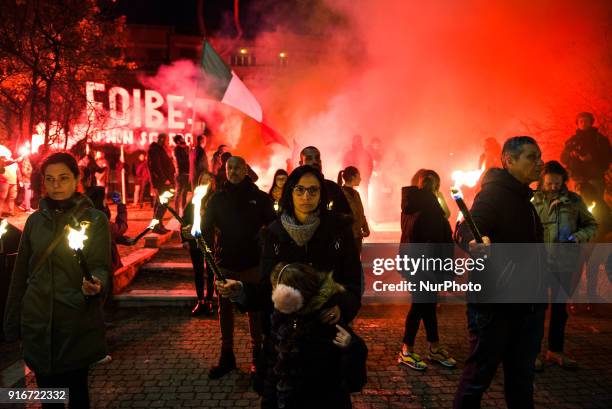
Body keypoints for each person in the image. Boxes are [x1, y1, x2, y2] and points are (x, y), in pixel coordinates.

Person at [216, 165, 362, 406]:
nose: (306, 197)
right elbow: (267, 290)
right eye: (300, 190)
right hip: (284, 344)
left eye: (313, 191)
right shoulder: (273, 234)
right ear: (290, 192)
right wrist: (241, 290)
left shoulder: (338, 230)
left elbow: (352, 282)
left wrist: (343, 307)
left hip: (325, 337)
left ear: (321, 195)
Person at [4, 152, 111, 409]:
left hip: (74, 322)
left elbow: (100, 266)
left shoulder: (95, 220)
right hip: (37, 323)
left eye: (63, 178)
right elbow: (20, 274)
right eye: (50, 179)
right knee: (50, 398)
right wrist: (12, 321)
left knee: (76, 395)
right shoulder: (34, 222)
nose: (56, 185)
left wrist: (96, 282)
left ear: (76, 179)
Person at [453, 136, 546, 409]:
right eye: (531, 157)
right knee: (478, 378)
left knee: (521, 381)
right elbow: (468, 227)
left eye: (540, 156)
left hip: (528, 308)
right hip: (496, 308)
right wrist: (472, 240)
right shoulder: (493, 194)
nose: (539, 163)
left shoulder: (524, 200)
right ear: (509, 160)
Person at [203, 156, 276, 379]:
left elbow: (273, 225)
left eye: (237, 168)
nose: (233, 171)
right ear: (225, 171)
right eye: (229, 168)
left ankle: (258, 357)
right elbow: (205, 227)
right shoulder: (217, 199)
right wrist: (205, 251)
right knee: (224, 312)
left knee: (255, 312)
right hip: (225, 265)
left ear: (246, 170)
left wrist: (265, 239)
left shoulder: (259, 198)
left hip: (252, 264)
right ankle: (227, 356)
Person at [263, 262, 365, 409]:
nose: (273, 294)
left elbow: (353, 380)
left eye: (275, 289)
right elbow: (271, 365)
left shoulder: (328, 320)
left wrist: (351, 348)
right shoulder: (282, 319)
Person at [531, 161, 597, 371]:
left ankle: (555, 351)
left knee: (560, 310)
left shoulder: (574, 201)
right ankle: (532, 354)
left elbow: (592, 224)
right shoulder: (532, 200)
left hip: (564, 264)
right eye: (550, 183)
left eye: (557, 183)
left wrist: (578, 236)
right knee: (536, 310)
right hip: (539, 264)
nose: (553, 187)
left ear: (563, 181)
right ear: (542, 181)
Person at [398, 169, 456, 371]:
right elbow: (436, 239)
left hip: (418, 263)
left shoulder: (411, 204)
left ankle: (433, 346)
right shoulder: (426, 205)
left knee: (428, 305)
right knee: (421, 306)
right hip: (425, 265)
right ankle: (407, 350)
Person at [181, 171, 216, 316]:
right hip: (195, 242)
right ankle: (200, 300)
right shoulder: (193, 200)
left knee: (211, 271)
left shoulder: (215, 200)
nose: (205, 183)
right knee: (198, 271)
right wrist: (184, 239)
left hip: (210, 240)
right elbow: (184, 220)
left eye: (208, 180)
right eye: (203, 180)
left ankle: (209, 300)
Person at [560, 112, 612, 197]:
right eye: (581, 121)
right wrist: (570, 155)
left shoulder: (600, 139)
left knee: (597, 204)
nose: (583, 123)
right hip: (577, 179)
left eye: (586, 121)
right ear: (578, 123)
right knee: (579, 205)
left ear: (591, 122)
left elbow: (608, 156)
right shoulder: (572, 141)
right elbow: (563, 158)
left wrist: (592, 157)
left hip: (596, 178)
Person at [299, 146, 352, 217]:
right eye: (309, 159)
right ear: (301, 163)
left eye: (317, 158)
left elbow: (346, 218)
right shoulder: (293, 188)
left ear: (320, 162)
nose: (315, 162)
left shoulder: (333, 188)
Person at [148, 133, 175, 234]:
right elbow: (156, 166)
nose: (168, 142)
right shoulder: (155, 150)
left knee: (160, 203)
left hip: (164, 181)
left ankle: (158, 224)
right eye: (167, 140)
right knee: (163, 203)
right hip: (162, 182)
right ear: (162, 139)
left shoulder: (159, 150)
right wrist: (164, 179)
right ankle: (156, 226)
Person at [338, 166, 370, 254]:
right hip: (346, 238)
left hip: (357, 237)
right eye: (358, 176)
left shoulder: (356, 194)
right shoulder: (340, 194)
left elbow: (360, 213)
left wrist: (365, 228)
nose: (360, 179)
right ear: (353, 177)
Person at [343, 135, 373, 212]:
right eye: (356, 141)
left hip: (362, 180)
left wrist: (367, 176)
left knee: (364, 199)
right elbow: (345, 166)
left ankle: (365, 215)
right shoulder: (349, 154)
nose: (357, 143)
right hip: (351, 182)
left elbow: (370, 165)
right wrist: (348, 179)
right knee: (352, 199)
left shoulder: (365, 153)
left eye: (358, 141)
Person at [173, 134, 191, 214]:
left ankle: (183, 210)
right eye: (181, 138)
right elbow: (180, 161)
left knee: (185, 193)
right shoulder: (177, 149)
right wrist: (188, 160)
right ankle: (176, 211)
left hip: (186, 173)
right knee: (179, 192)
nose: (183, 139)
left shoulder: (185, 148)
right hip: (180, 173)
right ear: (178, 141)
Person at [0, 152, 20, 217]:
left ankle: (11, 211)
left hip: (13, 182)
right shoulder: (4, 162)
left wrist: (20, 180)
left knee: (12, 197)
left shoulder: (15, 164)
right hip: (5, 182)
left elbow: (18, 172)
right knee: (2, 198)